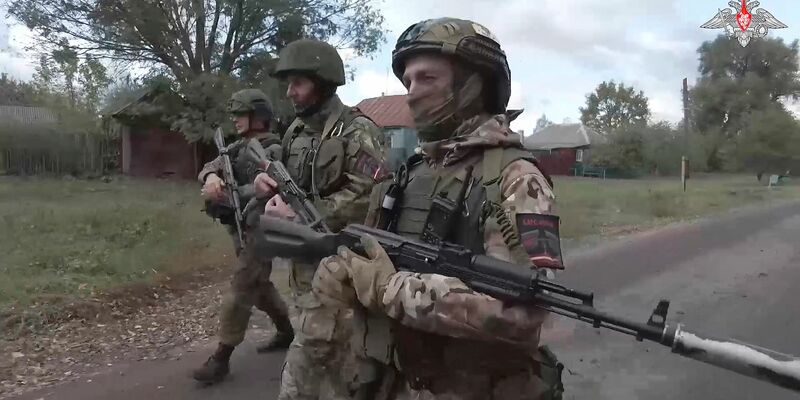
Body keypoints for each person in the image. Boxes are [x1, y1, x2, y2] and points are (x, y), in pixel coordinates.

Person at [310, 18, 566, 399]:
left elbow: (522, 314)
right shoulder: (411, 172)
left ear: (472, 86)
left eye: (427, 79)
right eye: (408, 81)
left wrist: (391, 289)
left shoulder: (515, 180)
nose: (411, 93)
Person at [252, 38, 388, 399]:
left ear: (323, 83)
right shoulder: (296, 129)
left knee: (326, 366)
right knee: (321, 354)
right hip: (301, 268)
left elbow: (367, 194)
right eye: (288, 84)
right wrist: (266, 182)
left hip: (341, 269)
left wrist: (300, 214)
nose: (290, 92)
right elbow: (285, 173)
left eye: (298, 83)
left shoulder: (358, 131)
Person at [193, 88, 294, 384]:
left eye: (241, 113)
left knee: (241, 288)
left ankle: (221, 359)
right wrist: (211, 178)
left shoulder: (271, 149)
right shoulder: (236, 146)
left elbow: (273, 186)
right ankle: (287, 331)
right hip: (239, 227)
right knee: (258, 286)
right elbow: (212, 166)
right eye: (234, 114)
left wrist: (236, 192)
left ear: (258, 116)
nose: (235, 119)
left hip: (261, 229)